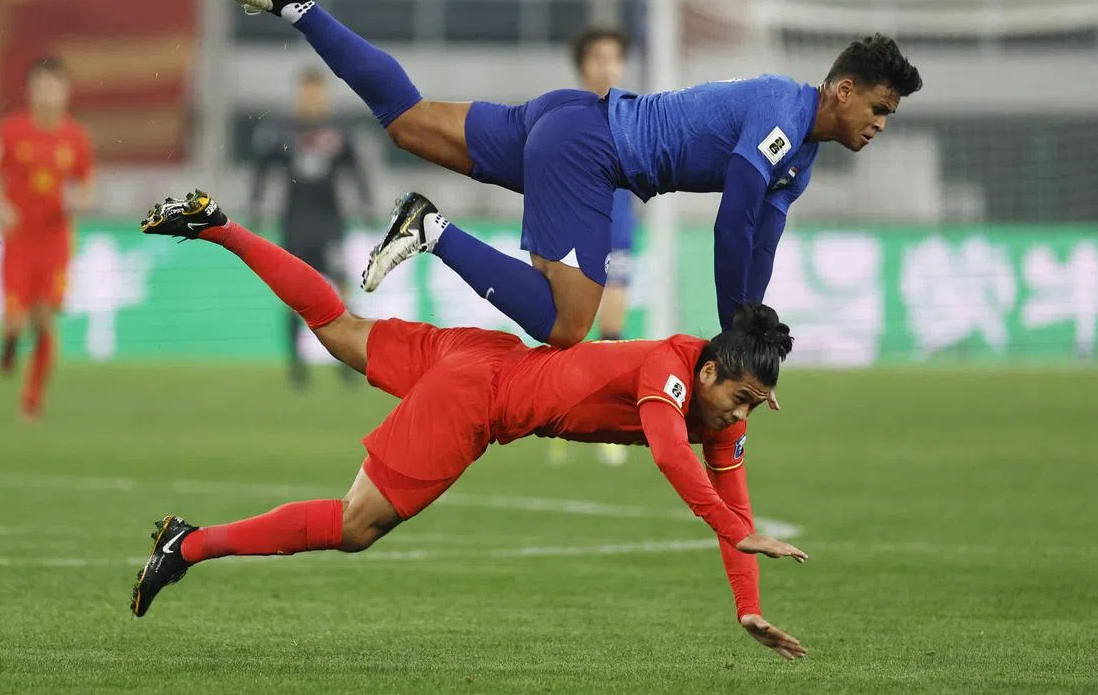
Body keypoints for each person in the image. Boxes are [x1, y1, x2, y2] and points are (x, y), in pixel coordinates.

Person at [131, 190, 809, 660]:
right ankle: (188, 545)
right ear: (712, 370)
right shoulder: (669, 365)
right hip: (477, 400)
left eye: (752, 407)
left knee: (337, 328)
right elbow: (670, 457)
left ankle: (216, 224)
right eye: (741, 398)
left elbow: (736, 507)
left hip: (485, 357)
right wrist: (732, 528)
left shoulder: (718, 410)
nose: (739, 416)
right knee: (355, 526)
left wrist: (746, 604)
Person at [194, 0, 922, 350]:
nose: (880, 124)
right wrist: (735, 329)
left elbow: (763, 233)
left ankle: (296, 4)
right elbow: (734, 217)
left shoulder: (802, 153)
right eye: (879, 109)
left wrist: (750, 313)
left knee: (409, 122)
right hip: (591, 151)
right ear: (844, 89)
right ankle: (432, 230)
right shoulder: (785, 111)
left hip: (571, 119)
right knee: (570, 325)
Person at [0, 56, 94, 421]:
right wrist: (0, 206)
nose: (47, 94)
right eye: (41, 86)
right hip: (18, 242)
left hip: (55, 242)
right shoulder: (10, 131)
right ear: (31, 90)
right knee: (15, 321)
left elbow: (86, 186)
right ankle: (10, 343)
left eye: (54, 86)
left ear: (66, 92)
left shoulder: (75, 138)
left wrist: (78, 199)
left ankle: (31, 398)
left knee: (45, 320)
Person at [250, 66, 376, 387]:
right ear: (299, 93)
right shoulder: (282, 130)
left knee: (342, 292)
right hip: (295, 223)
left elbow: (356, 171)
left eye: (317, 92)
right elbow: (263, 171)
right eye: (307, 91)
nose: (312, 98)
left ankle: (347, 363)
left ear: (324, 94)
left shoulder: (339, 130)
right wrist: (257, 208)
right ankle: (297, 366)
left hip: (330, 223)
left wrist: (366, 205)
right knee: (293, 296)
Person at [550, 26, 638, 467]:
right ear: (583, 66)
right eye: (598, 58)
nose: (607, 66)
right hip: (573, 230)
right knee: (571, 333)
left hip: (619, 228)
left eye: (614, 57)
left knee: (612, 333)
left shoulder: (635, 114)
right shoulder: (565, 111)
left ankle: (608, 427)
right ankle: (559, 418)